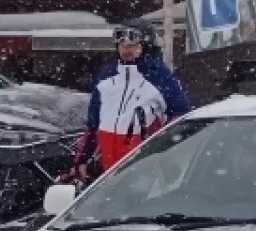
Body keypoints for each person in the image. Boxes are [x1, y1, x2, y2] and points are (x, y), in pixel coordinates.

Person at [70, 19, 192, 177]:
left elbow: (181, 118)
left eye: (132, 45)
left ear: (146, 46)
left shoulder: (160, 77)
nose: (126, 50)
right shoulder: (107, 77)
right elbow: (93, 125)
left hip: (146, 169)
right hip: (107, 170)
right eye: (122, 45)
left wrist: (160, 148)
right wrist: (82, 159)